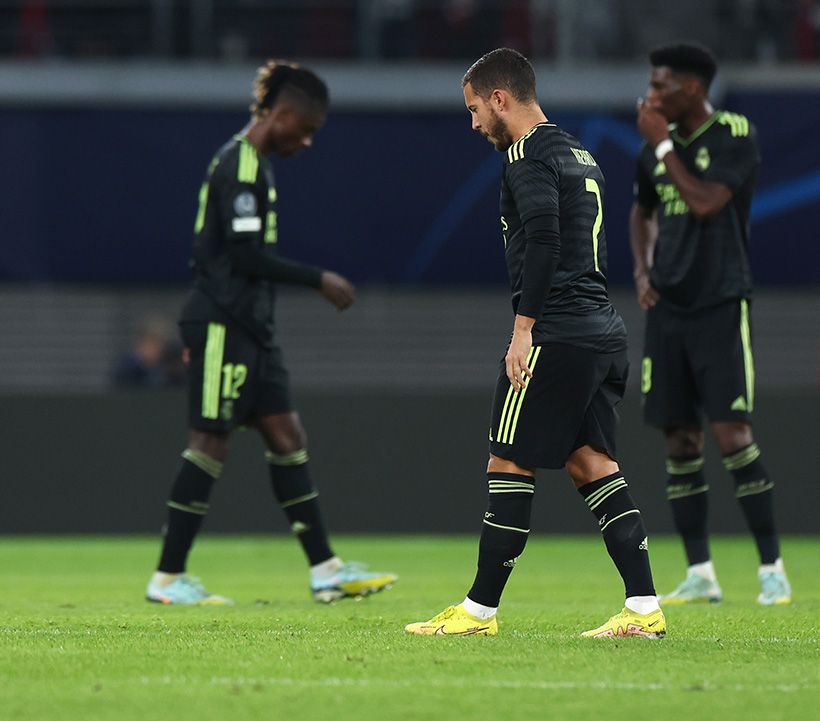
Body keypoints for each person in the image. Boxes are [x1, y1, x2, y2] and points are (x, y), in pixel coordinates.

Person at [406, 48, 664, 638]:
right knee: (592, 463)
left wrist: (524, 329)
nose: (473, 124)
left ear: (501, 98)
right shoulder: (579, 151)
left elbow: (544, 239)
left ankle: (478, 612)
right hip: (601, 328)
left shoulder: (525, 157)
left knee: (508, 458)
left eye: (474, 109)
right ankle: (644, 610)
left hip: (558, 331)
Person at [146, 60, 395, 606]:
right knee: (209, 443)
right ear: (280, 115)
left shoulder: (256, 165)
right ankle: (166, 579)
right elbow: (245, 254)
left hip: (252, 327)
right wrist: (318, 278)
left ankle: (326, 570)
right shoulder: (239, 166)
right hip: (220, 322)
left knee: (288, 436)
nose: (306, 143)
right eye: (303, 131)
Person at [631, 42, 791, 606]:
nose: (649, 98)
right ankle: (701, 572)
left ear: (693, 89)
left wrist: (663, 143)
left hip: (720, 302)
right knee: (679, 439)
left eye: (660, 87)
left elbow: (704, 203)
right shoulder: (654, 151)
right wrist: (642, 267)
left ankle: (771, 567)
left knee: (731, 435)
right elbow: (642, 209)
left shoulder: (733, 133)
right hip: (667, 310)